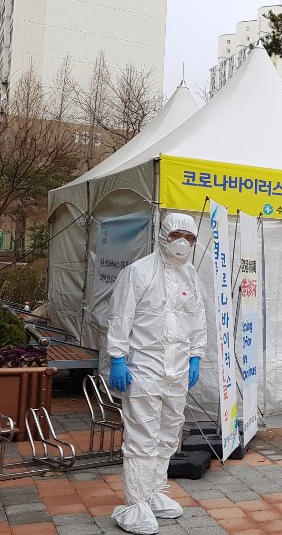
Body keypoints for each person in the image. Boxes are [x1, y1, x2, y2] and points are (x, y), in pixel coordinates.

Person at [106, 213, 205, 535]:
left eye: (189, 238)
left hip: (178, 369)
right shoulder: (138, 272)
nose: (182, 243)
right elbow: (120, 317)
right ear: (163, 235)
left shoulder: (190, 275)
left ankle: (153, 492)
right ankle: (134, 504)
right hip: (144, 368)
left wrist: (196, 356)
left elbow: (197, 318)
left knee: (168, 433)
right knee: (142, 436)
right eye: (177, 235)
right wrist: (118, 358)